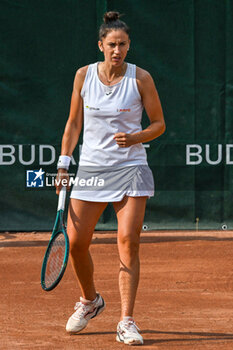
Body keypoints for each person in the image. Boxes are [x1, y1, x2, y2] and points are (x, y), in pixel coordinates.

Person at [56, 11, 165, 346]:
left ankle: (126, 320)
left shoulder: (141, 79)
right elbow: (74, 124)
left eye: (123, 44)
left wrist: (136, 138)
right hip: (91, 169)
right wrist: (63, 164)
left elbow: (158, 124)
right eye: (112, 44)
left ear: (129, 47)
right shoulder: (83, 76)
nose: (117, 50)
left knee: (128, 241)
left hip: (131, 168)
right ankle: (90, 301)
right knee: (75, 243)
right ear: (101, 45)